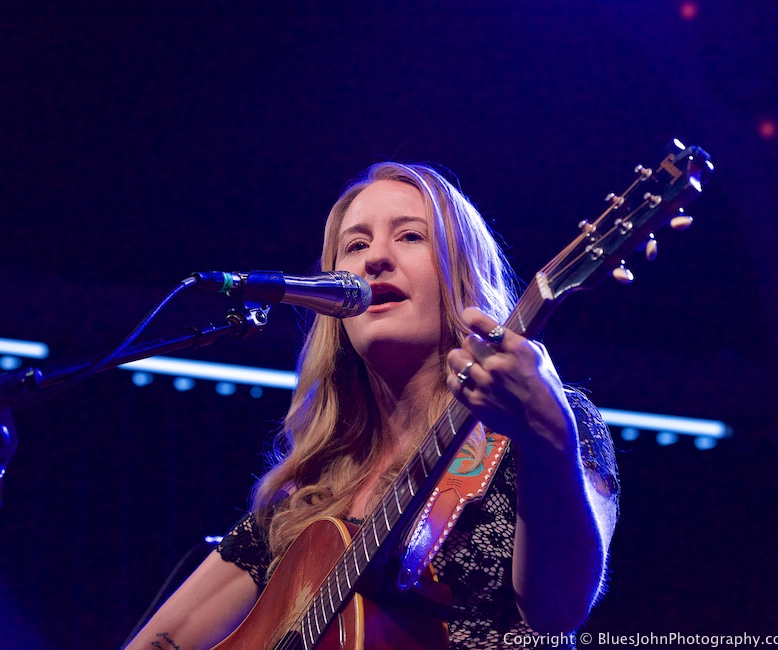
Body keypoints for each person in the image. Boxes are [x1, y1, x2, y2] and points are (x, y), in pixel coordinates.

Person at [125, 162, 618, 650]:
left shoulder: (542, 423)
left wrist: (547, 438)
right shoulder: (305, 498)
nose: (375, 259)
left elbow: (557, 614)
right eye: (355, 246)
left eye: (410, 236)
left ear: (463, 273)